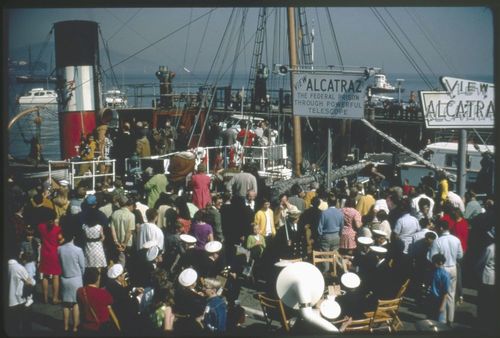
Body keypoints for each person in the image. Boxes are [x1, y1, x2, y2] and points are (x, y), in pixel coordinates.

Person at [427, 219, 463, 327]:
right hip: (453, 267)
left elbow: (432, 258)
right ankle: (450, 319)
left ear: (441, 228)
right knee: (451, 294)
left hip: (442, 269)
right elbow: (460, 255)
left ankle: (442, 320)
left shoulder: (438, 241)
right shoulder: (456, 239)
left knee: (441, 295)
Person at [58, 226, 85, 332]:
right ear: (73, 237)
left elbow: (59, 264)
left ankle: (65, 326)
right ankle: (74, 327)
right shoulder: (78, 250)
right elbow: (82, 266)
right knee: (75, 304)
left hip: (64, 278)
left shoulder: (59, 249)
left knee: (65, 304)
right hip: (76, 278)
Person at [77, 267, 116, 334]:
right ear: (97, 279)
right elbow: (111, 302)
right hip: (102, 326)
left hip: (86, 325)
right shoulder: (104, 293)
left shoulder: (80, 291)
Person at [38, 209, 62, 304]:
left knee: (45, 275)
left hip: (44, 252)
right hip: (54, 253)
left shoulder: (41, 227)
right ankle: (55, 298)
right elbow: (60, 239)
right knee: (56, 276)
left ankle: (45, 297)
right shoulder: (57, 229)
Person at [7, 253, 35, 335]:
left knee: (12, 325)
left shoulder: (7, 266)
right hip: (19, 300)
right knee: (25, 322)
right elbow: (31, 282)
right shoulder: (19, 268)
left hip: (8, 299)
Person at [317, 191, 343, 271]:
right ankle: (336, 269)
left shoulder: (324, 213)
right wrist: (339, 235)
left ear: (328, 202)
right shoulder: (340, 213)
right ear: (336, 203)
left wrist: (320, 236)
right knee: (335, 254)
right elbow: (342, 226)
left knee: (325, 255)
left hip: (326, 236)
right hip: (336, 235)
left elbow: (320, 227)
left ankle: (326, 271)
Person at [476, 228, 495, 333]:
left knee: (483, 301)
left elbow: (481, 262)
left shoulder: (490, 248)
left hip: (487, 278)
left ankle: (482, 321)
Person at [427, 253, 451, 324]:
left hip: (439, 300)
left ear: (440, 263)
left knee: (439, 322)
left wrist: (442, 306)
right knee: (430, 320)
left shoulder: (445, 275)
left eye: (434, 262)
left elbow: (445, 293)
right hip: (431, 298)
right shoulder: (432, 271)